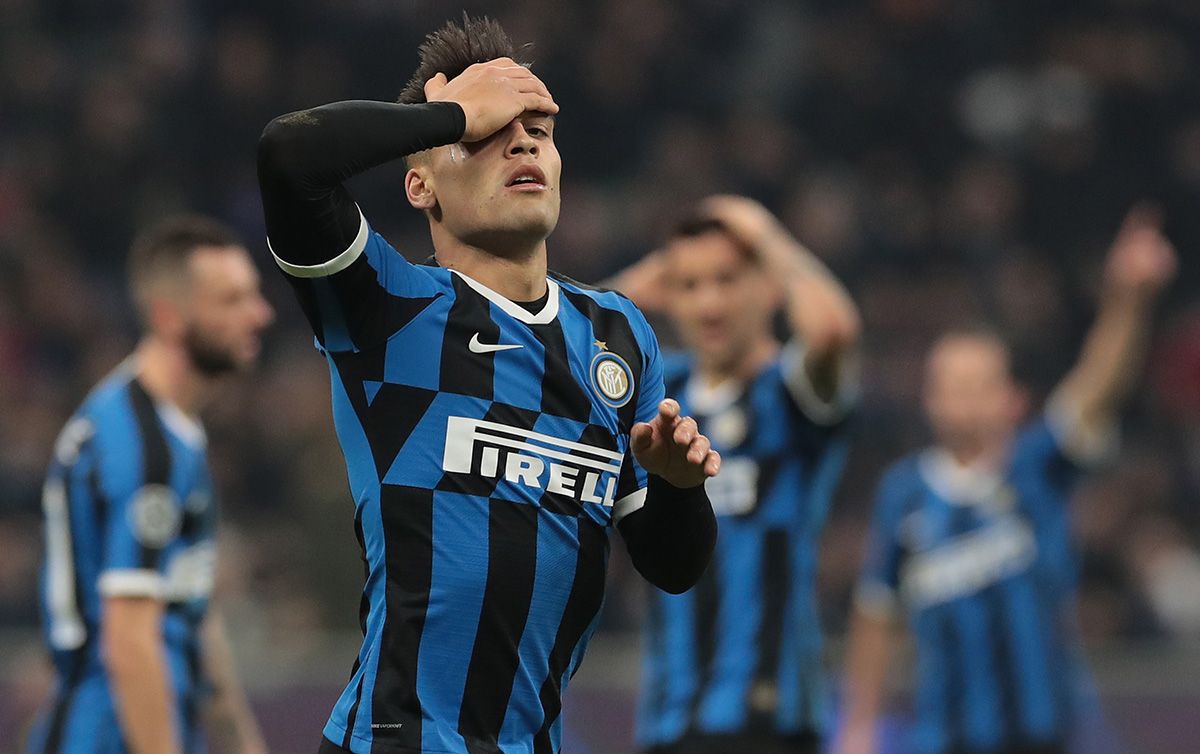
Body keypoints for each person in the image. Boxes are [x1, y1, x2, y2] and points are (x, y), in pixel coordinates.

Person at [255, 15, 720, 754]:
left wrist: (676, 486)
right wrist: (452, 114)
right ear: (420, 185)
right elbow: (288, 154)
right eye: (488, 132)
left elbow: (673, 565)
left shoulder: (618, 334)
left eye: (538, 126)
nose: (523, 140)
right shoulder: (387, 308)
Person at [834, 205, 1178, 754]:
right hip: (946, 737)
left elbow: (1097, 389)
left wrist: (1127, 300)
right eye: (950, 385)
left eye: (977, 384)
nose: (962, 399)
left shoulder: (1038, 466)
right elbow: (876, 614)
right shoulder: (905, 494)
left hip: (1048, 734)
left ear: (1011, 399)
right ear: (929, 398)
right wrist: (859, 725)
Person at [609, 196, 862, 754]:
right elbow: (562, 348)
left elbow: (832, 330)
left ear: (769, 287)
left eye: (727, 279)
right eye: (691, 285)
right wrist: (644, 282)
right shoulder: (659, 393)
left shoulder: (787, 392)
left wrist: (767, 237)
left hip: (771, 722)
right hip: (668, 722)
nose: (710, 303)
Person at [27, 216, 274, 754]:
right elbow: (130, 641)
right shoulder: (138, 445)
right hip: (109, 732)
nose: (260, 315)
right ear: (170, 317)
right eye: (232, 300)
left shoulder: (174, 430)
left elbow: (190, 609)